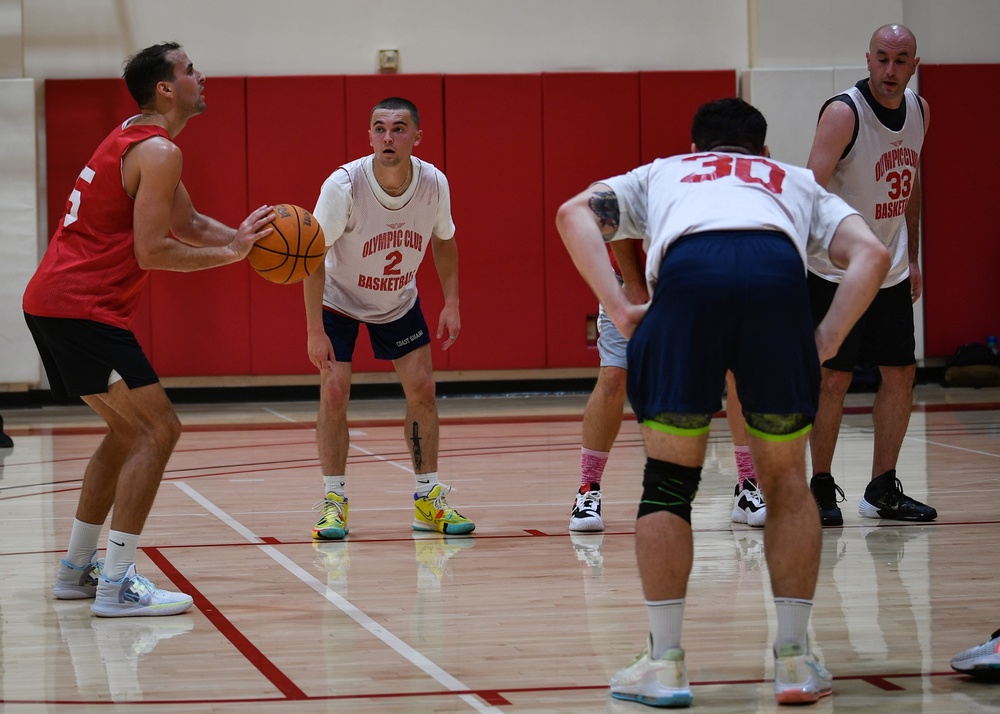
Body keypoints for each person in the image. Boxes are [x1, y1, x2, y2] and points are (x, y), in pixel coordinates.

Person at [557, 97, 890, 707]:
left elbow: (572, 214)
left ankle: (666, 664)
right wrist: (828, 338)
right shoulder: (792, 179)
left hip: (690, 280)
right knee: (788, 484)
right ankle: (793, 660)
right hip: (775, 284)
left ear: (695, 149)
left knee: (666, 483)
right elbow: (872, 254)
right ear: (762, 153)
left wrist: (622, 304)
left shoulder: (663, 172)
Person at [22, 42, 275, 617]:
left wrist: (241, 238)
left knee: (125, 433)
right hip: (81, 308)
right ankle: (115, 584)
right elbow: (154, 249)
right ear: (166, 88)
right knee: (159, 431)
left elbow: (183, 222)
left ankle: (76, 571)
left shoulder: (135, 137)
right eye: (189, 70)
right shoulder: (158, 150)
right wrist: (230, 255)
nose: (200, 75)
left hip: (54, 303)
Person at [305, 96, 473, 541]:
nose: (387, 137)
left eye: (399, 129)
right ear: (369, 136)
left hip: (397, 300)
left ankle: (427, 499)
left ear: (417, 137)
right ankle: (333, 501)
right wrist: (314, 329)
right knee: (335, 392)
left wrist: (451, 301)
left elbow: (445, 240)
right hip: (339, 298)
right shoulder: (343, 186)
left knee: (424, 389)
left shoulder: (434, 184)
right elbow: (312, 256)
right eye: (379, 128)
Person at [805, 23, 936, 527]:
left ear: (913, 65)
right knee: (832, 380)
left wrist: (915, 255)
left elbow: (910, 182)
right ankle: (819, 487)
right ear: (867, 59)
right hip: (836, 271)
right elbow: (809, 192)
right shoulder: (843, 113)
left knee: (901, 374)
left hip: (891, 265)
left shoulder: (921, 111)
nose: (889, 70)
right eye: (881, 58)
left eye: (900, 61)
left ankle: (883, 487)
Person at [569, 244, 766, 532]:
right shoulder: (633, 199)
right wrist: (635, 282)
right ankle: (588, 489)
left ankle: (748, 487)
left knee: (737, 370)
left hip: (700, 280)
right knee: (613, 374)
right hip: (630, 278)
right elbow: (621, 226)